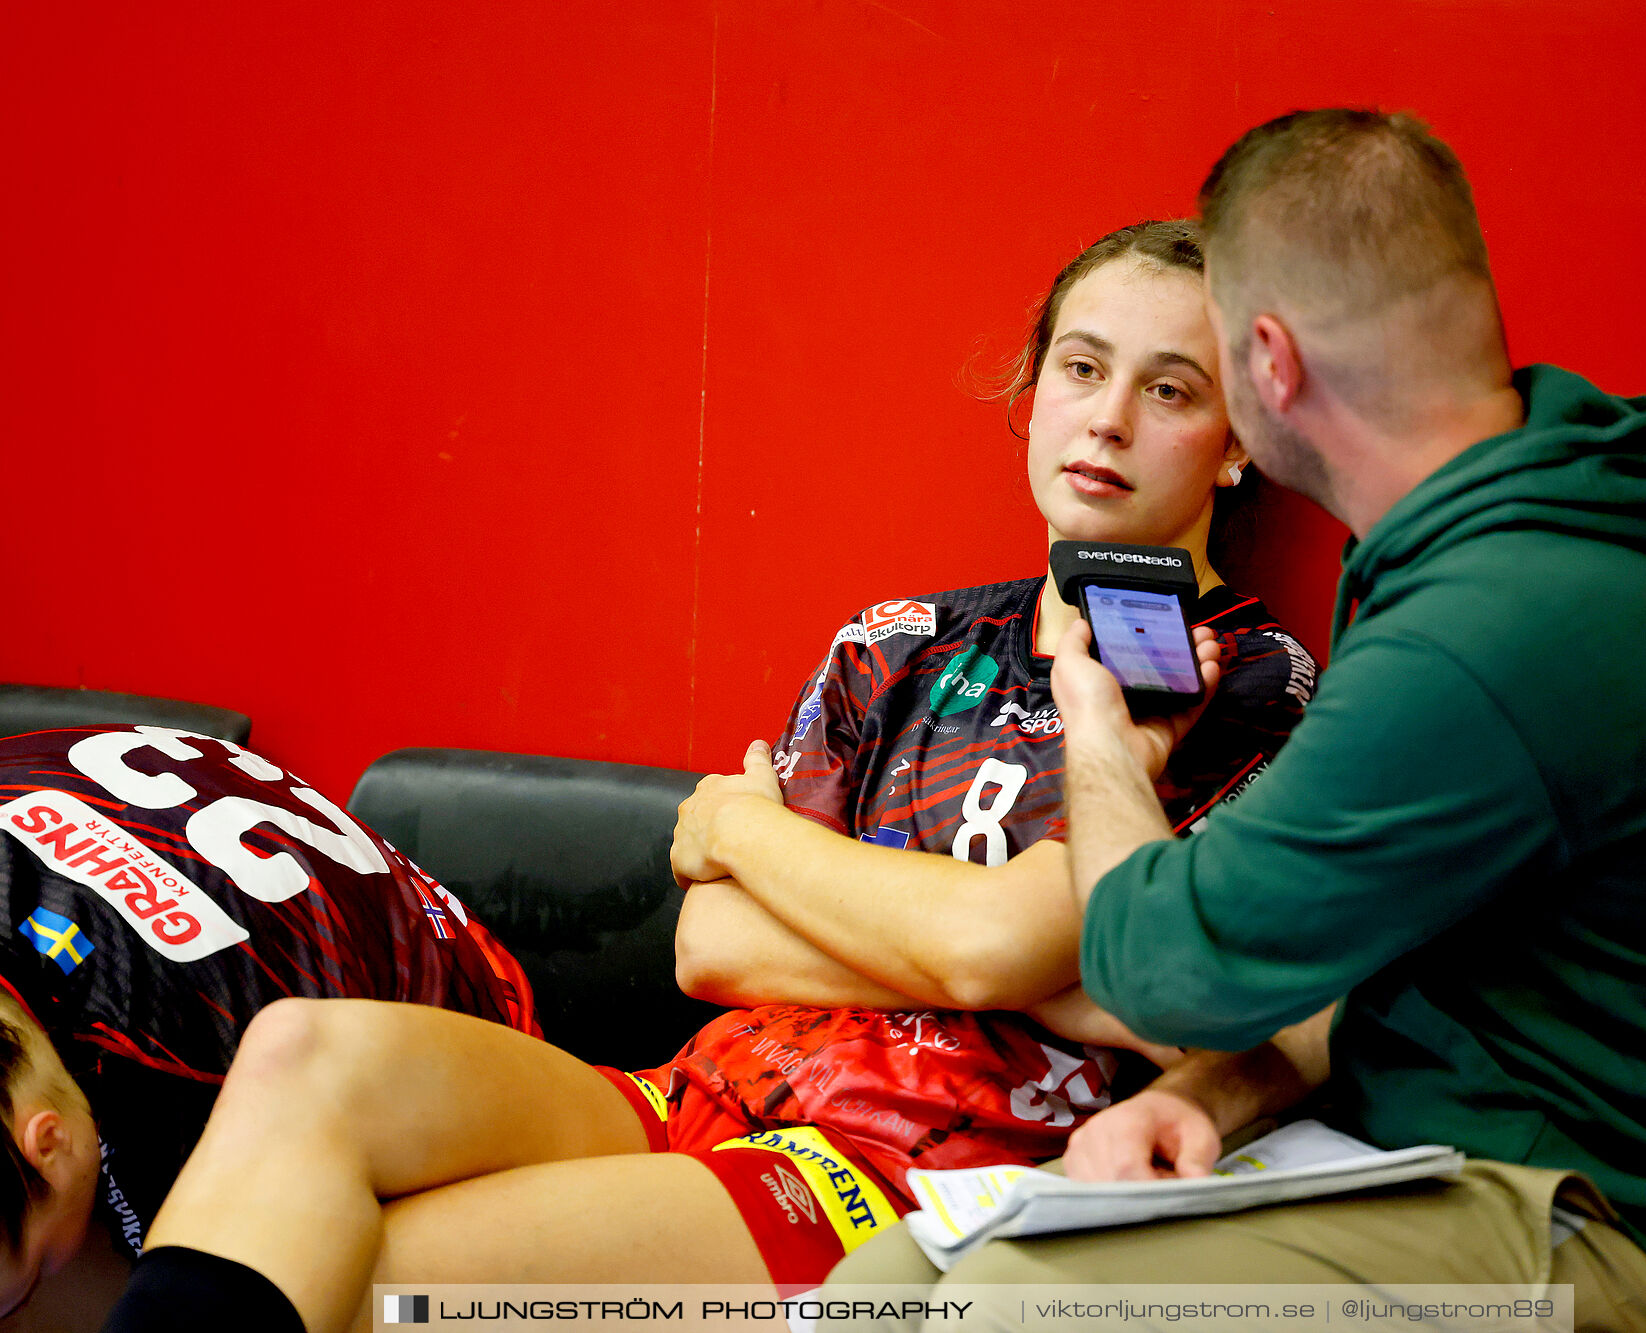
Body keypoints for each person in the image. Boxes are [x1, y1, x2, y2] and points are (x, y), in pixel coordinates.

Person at [97, 221, 1317, 1333]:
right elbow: (711, 945)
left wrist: (746, 827)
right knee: (302, 1051)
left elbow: (1001, 951)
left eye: (1169, 390)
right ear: (1033, 392)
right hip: (709, 1085)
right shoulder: (897, 641)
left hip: (900, 1174)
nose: (1106, 418)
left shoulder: (1249, 686)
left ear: (1234, 450)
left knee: (377, 1281)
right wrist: (985, 946)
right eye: (1081, 368)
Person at [826, 110, 1646, 1333]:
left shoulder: (1494, 623)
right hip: (1471, 1156)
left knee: (1005, 1305)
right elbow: (1369, 981)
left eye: (1193, 368)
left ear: (1266, 366)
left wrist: (1100, 730)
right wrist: (1217, 1099)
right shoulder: (1464, 562)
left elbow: (1160, 972)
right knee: (891, 1288)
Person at [0, 723, 536, 1327]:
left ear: (47, 1142)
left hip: (466, 1018)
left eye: (26, 1278)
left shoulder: (196, 1072)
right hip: (227, 907)